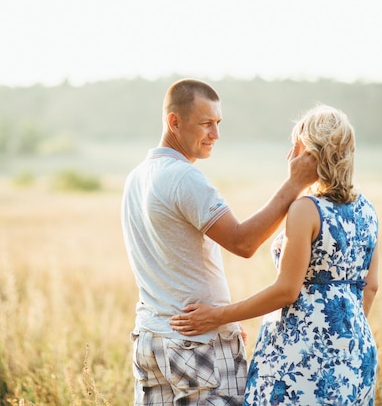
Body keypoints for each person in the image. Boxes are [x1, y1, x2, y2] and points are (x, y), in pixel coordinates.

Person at [121, 78, 318, 405]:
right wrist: (295, 183)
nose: (216, 134)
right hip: (196, 344)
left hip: (150, 340)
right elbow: (243, 242)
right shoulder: (184, 176)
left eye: (218, 123)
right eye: (206, 124)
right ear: (174, 122)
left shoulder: (136, 176)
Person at [170, 104, 380, 405]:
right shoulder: (367, 210)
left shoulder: (307, 209)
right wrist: (343, 338)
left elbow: (286, 290)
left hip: (300, 353)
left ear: (309, 153)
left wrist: (217, 316)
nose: (288, 156)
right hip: (356, 348)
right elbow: (370, 287)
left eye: (294, 146)